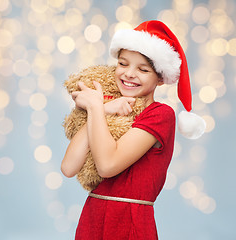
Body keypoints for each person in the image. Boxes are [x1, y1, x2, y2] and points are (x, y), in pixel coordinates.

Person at [61, 20, 205, 240]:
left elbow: (107, 165)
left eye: (143, 69)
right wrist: (104, 108)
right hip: (92, 219)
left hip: (129, 224)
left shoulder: (160, 115)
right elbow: (69, 167)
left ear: (159, 79)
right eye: (122, 63)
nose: (128, 74)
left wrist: (95, 107)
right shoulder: (109, 108)